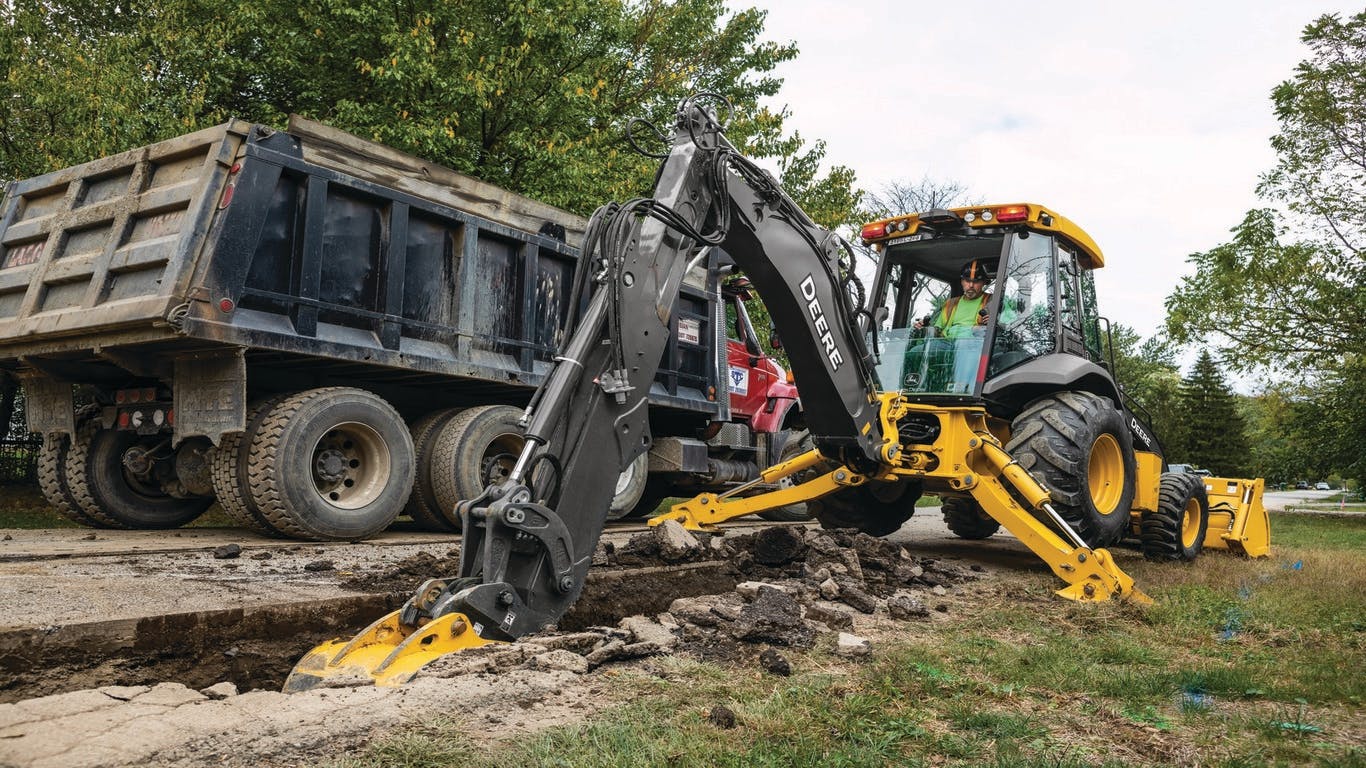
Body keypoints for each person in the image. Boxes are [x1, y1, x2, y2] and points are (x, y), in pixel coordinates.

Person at [914, 259, 995, 339]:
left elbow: (1006, 327)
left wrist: (995, 324)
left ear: (984, 282)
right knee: (916, 350)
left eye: (976, 281)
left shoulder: (994, 301)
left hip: (975, 343)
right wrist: (925, 329)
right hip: (947, 344)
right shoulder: (950, 304)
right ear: (961, 281)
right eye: (967, 280)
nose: (971, 285)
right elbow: (938, 331)